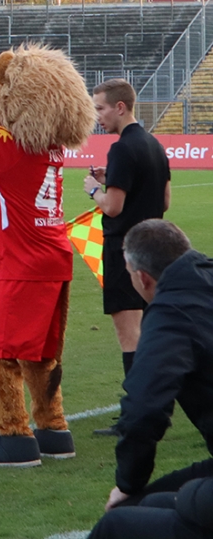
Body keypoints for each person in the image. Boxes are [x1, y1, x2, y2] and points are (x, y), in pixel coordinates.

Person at [88, 219, 213, 538]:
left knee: (117, 522)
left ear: (142, 278)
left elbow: (144, 408)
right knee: (152, 502)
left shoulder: (171, 312)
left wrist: (127, 483)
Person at [83, 78, 171, 436]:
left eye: (100, 108)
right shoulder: (154, 144)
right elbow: (164, 200)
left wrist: (94, 190)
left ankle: (136, 416)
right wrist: (114, 179)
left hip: (124, 252)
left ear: (121, 107)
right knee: (150, 332)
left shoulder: (120, 148)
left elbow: (113, 206)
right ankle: (157, 410)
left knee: (129, 336)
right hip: (154, 249)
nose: (97, 116)